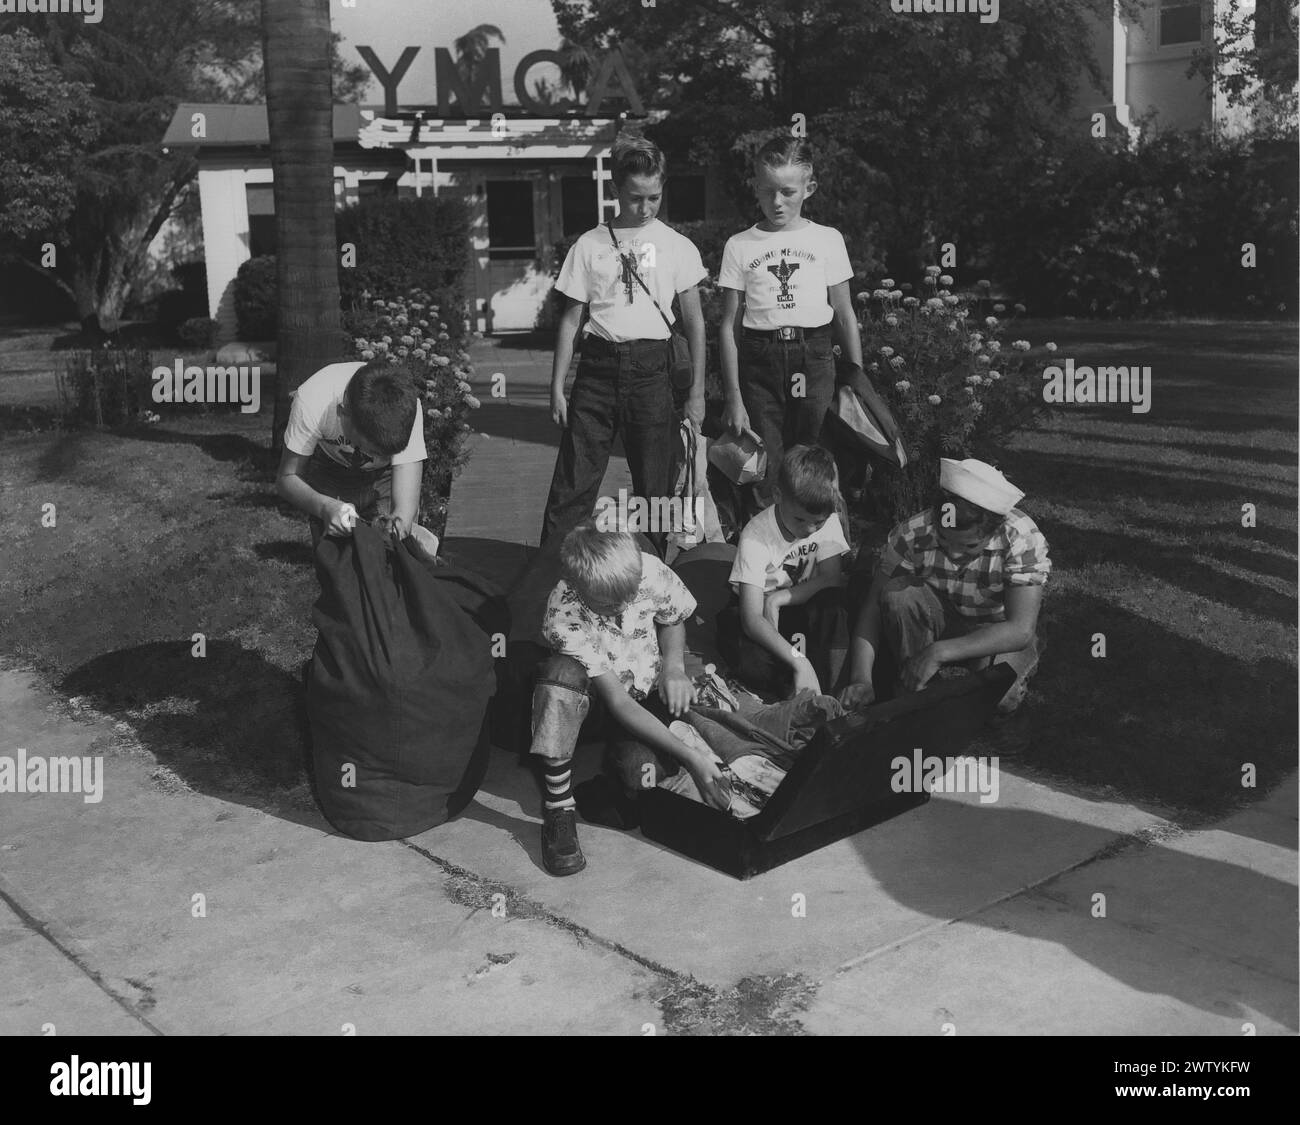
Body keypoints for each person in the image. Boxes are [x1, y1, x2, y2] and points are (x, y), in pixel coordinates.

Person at [529, 520, 729, 876]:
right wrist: (691, 756)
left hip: (643, 690)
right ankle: (559, 805)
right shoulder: (564, 612)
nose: (624, 607)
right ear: (579, 587)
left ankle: (610, 779)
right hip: (598, 705)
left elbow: (672, 618)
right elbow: (619, 704)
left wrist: (673, 667)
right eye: (610, 603)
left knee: (642, 778)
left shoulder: (647, 570)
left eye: (631, 594)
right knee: (559, 676)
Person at [539, 135, 709, 556]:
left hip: (653, 372)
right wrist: (557, 385)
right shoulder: (589, 245)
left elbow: (695, 323)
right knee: (573, 483)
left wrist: (697, 393)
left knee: (655, 487)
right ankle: (550, 577)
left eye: (654, 197)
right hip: (597, 369)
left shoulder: (676, 245)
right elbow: (571, 318)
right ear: (615, 190)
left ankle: (653, 579)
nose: (646, 207)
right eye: (635, 198)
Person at [717, 137, 864, 513]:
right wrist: (733, 396)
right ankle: (769, 554)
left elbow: (845, 312)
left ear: (808, 189)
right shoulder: (739, 245)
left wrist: (857, 378)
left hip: (813, 357)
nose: (777, 201)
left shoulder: (827, 239)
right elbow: (729, 326)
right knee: (766, 461)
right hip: (760, 358)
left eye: (788, 191)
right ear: (755, 188)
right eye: (768, 191)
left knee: (817, 455)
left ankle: (829, 550)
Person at [839, 458, 1050, 713]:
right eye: (944, 540)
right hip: (940, 617)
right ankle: (917, 686)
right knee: (897, 593)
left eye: (970, 546)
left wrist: (939, 652)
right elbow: (873, 606)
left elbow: (1020, 629)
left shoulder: (1021, 537)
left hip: (997, 630)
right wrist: (861, 678)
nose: (955, 553)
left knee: (1000, 694)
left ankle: (990, 721)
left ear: (995, 531)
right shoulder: (913, 533)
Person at [717, 445, 851, 699]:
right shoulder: (755, 535)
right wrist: (798, 660)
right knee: (748, 658)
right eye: (800, 520)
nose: (811, 529)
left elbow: (831, 578)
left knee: (835, 606)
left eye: (818, 523)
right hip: (757, 609)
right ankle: (794, 682)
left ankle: (832, 694)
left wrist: (779, 599)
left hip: (796, 603)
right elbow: (752, 618)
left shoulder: (827, 519)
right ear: (778, 495)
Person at [276, 359, 424, 546]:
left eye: (387, 454)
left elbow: (404, 509)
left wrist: (399, 526)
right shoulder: (313, 399)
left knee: (393, 551)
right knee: (337, 560)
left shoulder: (405, 406)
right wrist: (324, 507)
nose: (377, 457)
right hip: (329, 469)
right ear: (343, 413)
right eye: (372, 450)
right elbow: (287, 477)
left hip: (385, 477)